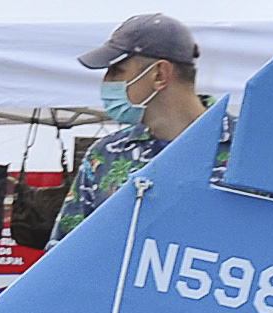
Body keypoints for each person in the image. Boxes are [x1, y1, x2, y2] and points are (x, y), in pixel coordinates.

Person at [57, 12, 206, 236]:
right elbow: (64, 254)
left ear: (159, 74)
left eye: (116, 71)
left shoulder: (246, 149)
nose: (106, 82)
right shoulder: (105, 155)